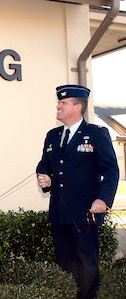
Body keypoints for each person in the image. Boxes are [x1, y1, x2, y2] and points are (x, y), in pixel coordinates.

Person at [36, 84, 119, 299]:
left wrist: (103, 199)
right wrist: (44, 175)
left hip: (85, 212)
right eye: (59, 102)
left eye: (63, 103)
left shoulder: (96, 134)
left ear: (77, 107)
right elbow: (44, 163)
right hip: (60, 211)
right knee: (64, 260)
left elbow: (111, 171)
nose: (58, 106)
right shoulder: (53, 136)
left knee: (87, 261)